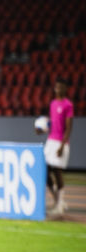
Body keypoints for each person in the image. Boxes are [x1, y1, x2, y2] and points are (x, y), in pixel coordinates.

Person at [44, 78, 74, 215]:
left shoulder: (68, 105)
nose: (58, 89)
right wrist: (42, 129)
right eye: (57, 87)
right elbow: (52, 122)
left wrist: (62, 145)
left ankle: (59, 205)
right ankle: (58, 201)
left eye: (61, 87)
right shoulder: (53, 103)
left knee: (57, 172)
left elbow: (68, 128)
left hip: (61, 142)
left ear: (65, 89)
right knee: (44, 171)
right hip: (50, 141)